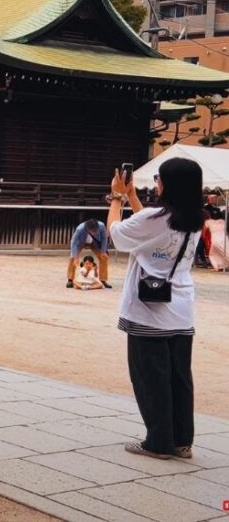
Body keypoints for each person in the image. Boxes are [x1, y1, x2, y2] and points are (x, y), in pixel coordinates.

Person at [108, 158, 204, 460]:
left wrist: (116, 198)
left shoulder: (154, 218)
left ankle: (158, 441)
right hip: (181, 307)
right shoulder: (195, 218)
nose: (157, 184)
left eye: (159, 179)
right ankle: (181, 441)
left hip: (149, 311)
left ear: (168, 184)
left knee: (150, 377)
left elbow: (119, 235)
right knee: (178, 377)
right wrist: (134, 197)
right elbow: (152, 229)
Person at [67, 218, 112, 289]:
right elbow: (74, 242)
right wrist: (75, 257)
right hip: (81, 243)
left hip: (95, 243)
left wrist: (103, 251)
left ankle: (103, 280)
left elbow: (104, 238)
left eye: (95, 231)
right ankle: (70, 279)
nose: (93, 232)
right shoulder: (80, 229)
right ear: (87, 229)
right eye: (92, 231)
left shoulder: (101, 226)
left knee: (103, 257)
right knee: (72, 258)